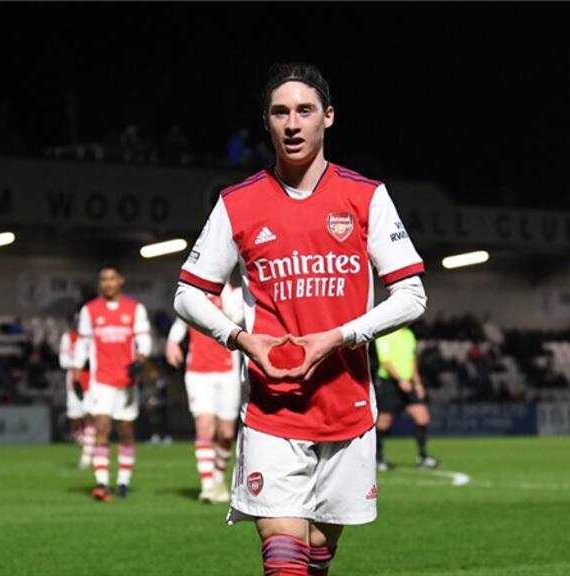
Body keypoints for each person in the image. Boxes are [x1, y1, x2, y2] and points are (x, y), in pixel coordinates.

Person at [173, 62, 427, 576]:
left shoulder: (366, 196)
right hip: (272, 408)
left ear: (327, 118)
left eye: (304, 111)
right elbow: (187, 294)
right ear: (266, 122)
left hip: (348, 406)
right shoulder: (237, 203)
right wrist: (242, 339)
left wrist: (338, 336)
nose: (292, 123)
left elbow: (412, 295)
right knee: (284, 562)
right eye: (280, 112)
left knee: (316, 557)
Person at [78, 265, 152, 501]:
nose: (108, 283)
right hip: (101, 381)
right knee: (101, 427)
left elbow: (144, 340)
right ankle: (101, 482)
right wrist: (78, 375)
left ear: (121, 280)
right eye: (103, 279)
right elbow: (83, 345)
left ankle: (123, 481)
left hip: (127, 381)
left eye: (112, 278)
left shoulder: (134, 309)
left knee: (126, 431)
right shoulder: (89, 311)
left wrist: (140, 359)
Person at [165, 283, 243, 503]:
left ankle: (218, 478)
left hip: (227, 370)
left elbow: (236, 318)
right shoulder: (194, 292)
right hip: (198, 372)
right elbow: (182, 320)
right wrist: (172, 342)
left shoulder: (234, 294)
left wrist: (225, 293)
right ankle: (208, 485)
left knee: (227, 433)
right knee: (205, 426)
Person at [374, 327, 439, 471]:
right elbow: (385, 361)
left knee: (422, 417)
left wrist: (417, 382)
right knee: (384, 421)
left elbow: (412, 359)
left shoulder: (409, 334)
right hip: (389, 383)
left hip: (408, 382)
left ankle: (423, 457)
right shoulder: (385, 334)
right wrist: (399, 380)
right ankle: (378, 457)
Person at [58, 322, 95, 469]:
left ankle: (87, 456)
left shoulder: (94, 337)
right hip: (74, 383)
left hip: (93, 383)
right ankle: (89, 447)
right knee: (74, 421)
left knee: (91, 419)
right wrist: (80, 362)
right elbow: (63, 361)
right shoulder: (68, 337)